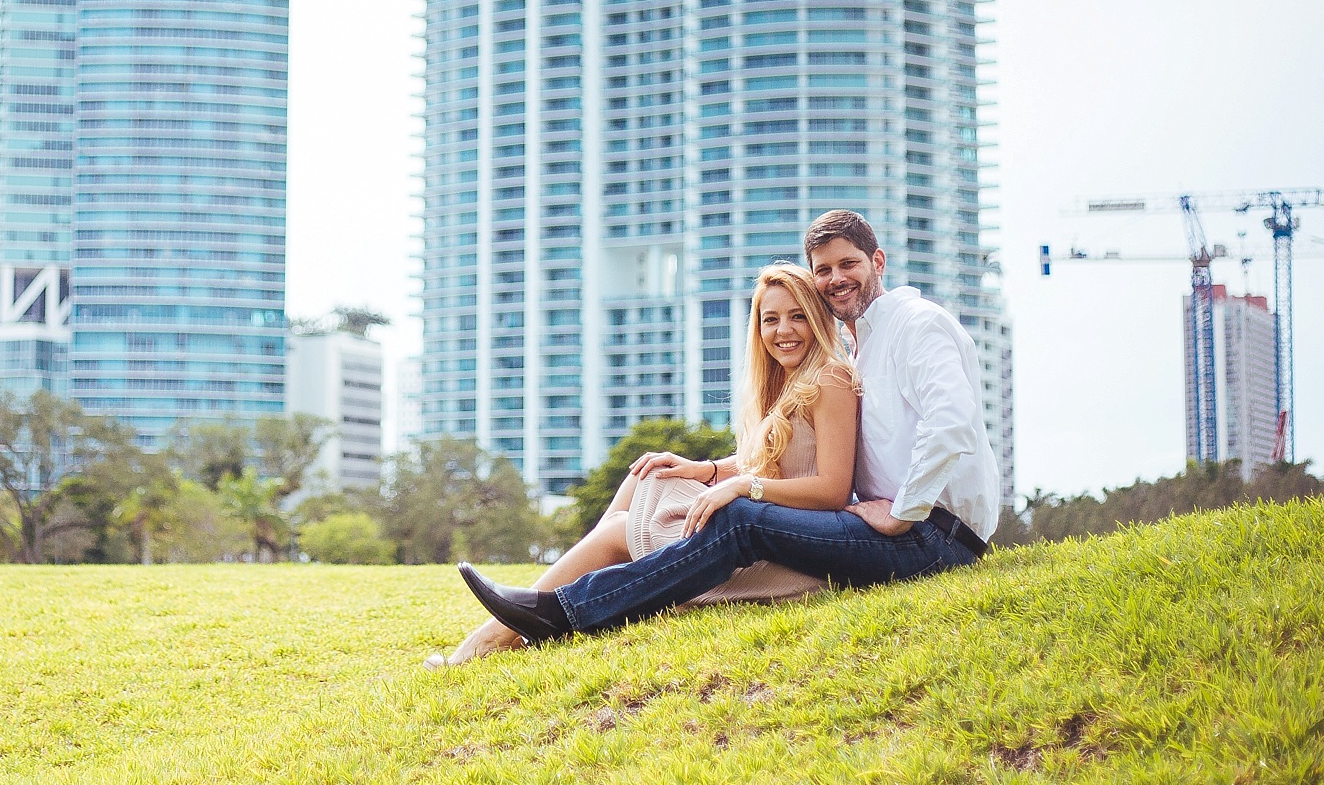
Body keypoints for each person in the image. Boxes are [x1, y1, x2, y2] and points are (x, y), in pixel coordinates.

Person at [456, 208, 1000, 646]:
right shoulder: (859, 348)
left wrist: (904, 511)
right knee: (664, 489)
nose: (837, 279)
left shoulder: (917, 325)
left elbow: (951, 425)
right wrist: (716, 468)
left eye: (848, 264)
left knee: (740, 518)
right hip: (886, 524)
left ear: (877, 261)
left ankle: (563, 612)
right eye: (825, 270)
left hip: (934, 538)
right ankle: (532, 614)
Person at [428, 261, 859, 667]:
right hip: (762, 527)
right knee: (650, 473)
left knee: (620, 531)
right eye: (771, 319)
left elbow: (832, 490)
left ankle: (496, 635)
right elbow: (771, 461)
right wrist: (705, 469)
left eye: (797, 316)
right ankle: (555, 605)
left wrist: (744, 487)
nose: (783, 330)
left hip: (787, 557)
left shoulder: (830, 379)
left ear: (818, 320)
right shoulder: (789, 382)